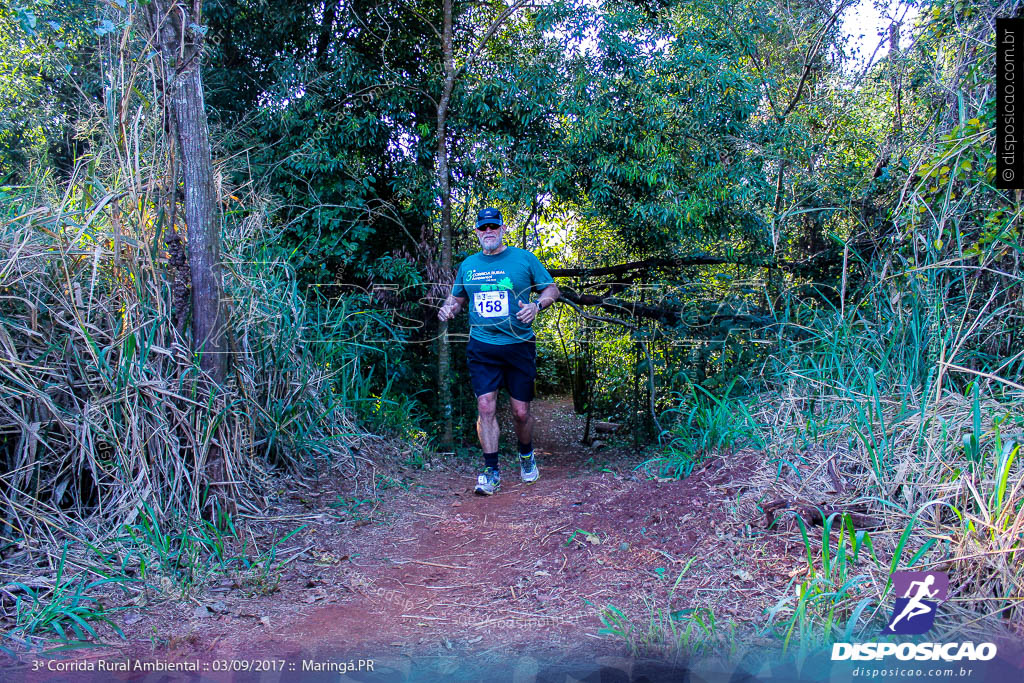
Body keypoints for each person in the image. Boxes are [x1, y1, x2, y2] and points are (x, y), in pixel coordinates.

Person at [437, 207, 560, 495]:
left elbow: (552, 290)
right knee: (485, 406)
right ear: (477, 232)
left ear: (503, 229)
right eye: (483, 227)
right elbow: (457, 299)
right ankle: (491, 471)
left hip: (519, 346)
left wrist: (536, 306)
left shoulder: (523, 259)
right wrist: (449, 308)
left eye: (494, 226)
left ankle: (526, 455)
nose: (489, 231)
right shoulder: (468, 265)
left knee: (520, 412)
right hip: (482, 346)